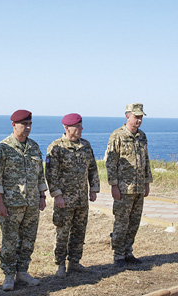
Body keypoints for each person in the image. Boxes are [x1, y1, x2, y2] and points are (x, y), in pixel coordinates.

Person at [0, 109, 47, 291]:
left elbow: (40, 174)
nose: (28, 128)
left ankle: (22, 271)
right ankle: (8, 275)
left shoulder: (34, 147)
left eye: (30, 124)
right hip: (11, 204)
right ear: (14, 125)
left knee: (28, 239)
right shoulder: (3, 148)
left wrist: (42, 196)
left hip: (31, 203)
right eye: (24, 124)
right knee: (10, 240)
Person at [46, 113, 100, 277]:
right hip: (65, 199)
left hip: (81, 198)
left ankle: (74, 262)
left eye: (81, 126)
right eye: (77, 126)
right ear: (66, 128)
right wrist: (57, 195)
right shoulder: (56, 147)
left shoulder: (86, 145)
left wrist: (94, 188)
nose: (81, 129)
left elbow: (92, 168)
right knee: (62, 232)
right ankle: (60, 264)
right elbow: (51, 174)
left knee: (79, 231)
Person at [105, 103, 152, 267]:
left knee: (134, 222)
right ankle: (118, 255)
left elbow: (146, 160)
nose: (139, 120)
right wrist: (114, 185)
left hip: (138, 187)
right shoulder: (117, 136)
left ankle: (128, 251)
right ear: (127, 116)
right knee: (121, 222)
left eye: (140, 117)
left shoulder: (142, 136)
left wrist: (147, 182)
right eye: (136, 117)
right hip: (124, 188)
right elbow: (111, 162)